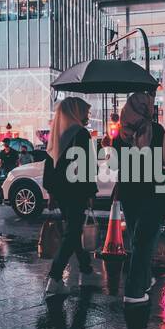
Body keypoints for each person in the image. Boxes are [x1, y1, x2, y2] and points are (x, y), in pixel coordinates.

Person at [113, 92, 165, 308]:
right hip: (153, 191)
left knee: (138, 239)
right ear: (146, 108)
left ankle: (144, 281)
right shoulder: (156, 130)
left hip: (129, 191)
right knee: (146, 241)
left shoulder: (120, 135)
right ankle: (134, 291)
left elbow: (115, 165)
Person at [43, 96, 100, 298]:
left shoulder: (57, 134)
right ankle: (55, 278)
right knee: (72, 233)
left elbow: (49, 164)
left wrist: (50, 191)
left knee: (73, 231)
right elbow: (86, 165)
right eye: (85, 112)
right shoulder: (80, 134)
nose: (87, 116)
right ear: (76, 113)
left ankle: (86, 269)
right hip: (76, 190)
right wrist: (90, 192)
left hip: (60, 191)